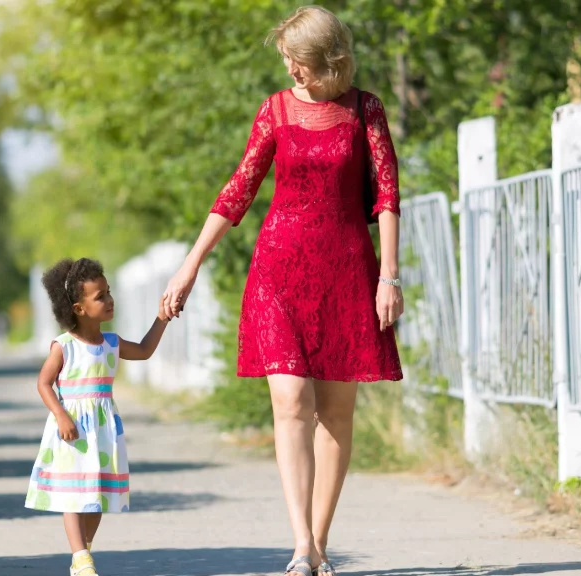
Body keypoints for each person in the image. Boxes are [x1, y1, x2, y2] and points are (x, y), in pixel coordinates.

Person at [160, 6, 404, 575]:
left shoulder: (365, 110)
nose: (291, 70)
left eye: (299, 61)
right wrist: (190, 264)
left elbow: (387, 195)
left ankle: (319, 543)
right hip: (279, 271)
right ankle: (299, 547)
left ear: (330, 62)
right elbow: (238, 189)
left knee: (337, 411)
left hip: (347, 272)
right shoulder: (274, 110)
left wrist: (388, 277)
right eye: (288, 61)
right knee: (292, 400)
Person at [25, 257, 171, 576]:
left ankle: (83, 551)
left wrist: (161, 318)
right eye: (100, 296)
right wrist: (61, 415)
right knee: (73, 495)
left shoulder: (112, 344)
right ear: (79, 308)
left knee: (97, 496)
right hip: (73, 431)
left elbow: (145, 350)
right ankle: (80, 556)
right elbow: (44, 382)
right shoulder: (64, 347)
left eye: (108, 291)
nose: (109, 299)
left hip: (104, 432)